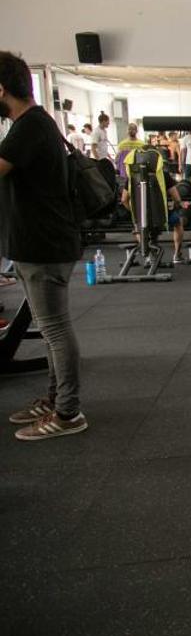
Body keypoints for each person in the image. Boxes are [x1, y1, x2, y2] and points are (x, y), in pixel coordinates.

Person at [0, 50, 87, 440]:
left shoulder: (31, 126)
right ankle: (55, 399)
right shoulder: (31, 124)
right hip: (36, 245)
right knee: (51, 330)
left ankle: (68, 412)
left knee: (55, 329)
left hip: (45, 246)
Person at [122, 143, 186, 262]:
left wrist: (135, 211)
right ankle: (177, 255)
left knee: (137, 225)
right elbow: (177, 198)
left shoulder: (132, 178)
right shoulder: (163, 175)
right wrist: (175, 207)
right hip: (161, 216)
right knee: (178, 223)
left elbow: (124, 200)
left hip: (142, 217)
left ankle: (148, 256)